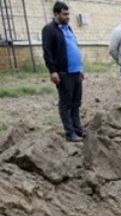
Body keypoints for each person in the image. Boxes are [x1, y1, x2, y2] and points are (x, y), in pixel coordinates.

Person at [41, 1, 84, 142]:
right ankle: (70, 133)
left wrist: (81, 68)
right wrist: (52, 71)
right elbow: (47, 52)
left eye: (68, 14)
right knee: (66, 103)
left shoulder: (68, 28)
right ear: (56, 14)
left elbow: (74, 48)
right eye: (65, 14)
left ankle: (78, 130)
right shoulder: (50, 29)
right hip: (63, 73)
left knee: (76, 103)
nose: (68, 17)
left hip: (76, 72)